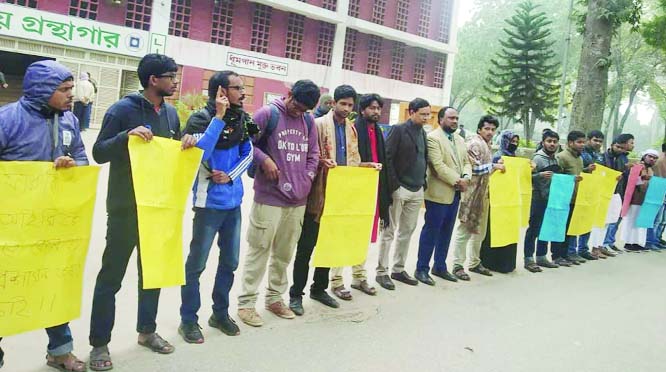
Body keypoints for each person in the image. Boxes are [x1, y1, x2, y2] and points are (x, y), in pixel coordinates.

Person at [88, 54, 197, 370]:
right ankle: (99, 344)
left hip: (158, 208)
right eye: (171, 76)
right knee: (111, 277)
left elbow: (171, 154)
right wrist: (126, 137)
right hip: (125, 207)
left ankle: (146, 331)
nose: (175, 82)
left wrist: (185, 144)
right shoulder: (122, 110)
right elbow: (98, 152)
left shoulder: (171, 115)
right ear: (153, 80)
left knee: (153, 275)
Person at [0, 60, 88, 372]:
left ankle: (60, 351)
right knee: (5, 289)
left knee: (54, 286)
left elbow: (82, 157)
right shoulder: (7, 119)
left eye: (71, 89)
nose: (71, 95)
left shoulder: (70, 121)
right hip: (12, 228)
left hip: (54, 224)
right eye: (64, 90)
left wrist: (73, 166)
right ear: (41, 89)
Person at [178, 71, 258, 343]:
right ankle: (188, 320)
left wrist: (232, 175)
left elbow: (248, 154)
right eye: (238, 88)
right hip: (207, 204)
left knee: (230, 262)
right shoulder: (200, 119)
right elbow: (201, 151)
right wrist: (218, 118)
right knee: (196, 265)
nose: (243, 93)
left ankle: (219, 314)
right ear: (222, 91)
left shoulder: (244, 121)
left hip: (232, 204)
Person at [288, 85, 381, 315]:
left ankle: (319, 289)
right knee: (306, 247)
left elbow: (352, 160)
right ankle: (295, 294)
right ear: (334, 103)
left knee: (331, 245)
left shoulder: (351, 129)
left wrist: (365, 166)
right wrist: (321, 162)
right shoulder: (318, 124)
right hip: (318, 194)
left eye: (350, 105)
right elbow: (308, 156)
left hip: (340, 197)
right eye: (343, 104)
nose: (346, 109)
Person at [237, 80, 320, 327]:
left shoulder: (308, 121)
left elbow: (313, 153)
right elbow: (245, 141)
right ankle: (247, 303)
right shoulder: (265, 114)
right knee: (259, 249)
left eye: (305, 109)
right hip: (269, 197)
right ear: (289, 94)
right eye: (297, 106)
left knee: (284, 254)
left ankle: (275, 298)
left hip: (298, 199)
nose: (299, 112)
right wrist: (264, 159)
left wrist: (308, 177)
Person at [375, 98, 430, 290]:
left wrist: (423, 182)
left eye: (428, 114)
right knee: (389, 231)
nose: (426, 118)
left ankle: (398, 269)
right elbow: (387, 157)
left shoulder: (423, 133)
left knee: (407, 231)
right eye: (423, 114)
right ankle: (382, 272)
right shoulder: (398, 130)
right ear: (411, 112)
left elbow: (423, 159)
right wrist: (394, 185)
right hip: (400, 188)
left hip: (417, 190)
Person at [415, 106, 471, 285]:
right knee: (431, 231)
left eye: (456, 118)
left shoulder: (460, 140)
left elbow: (466, 162)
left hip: (455, 195)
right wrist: (458, 181)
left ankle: (440, 266)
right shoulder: (433, 138)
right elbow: (438, 166)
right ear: (440, 120)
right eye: (451, 118)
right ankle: (421, 268)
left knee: (447, 232)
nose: (454, 121)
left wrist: (467, 178)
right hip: (438, 194)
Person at [451, 115, 505, 281]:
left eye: (492, 129)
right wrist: (494, 165)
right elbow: (473, 169)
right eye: (487, 129)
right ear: (479, 129)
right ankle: (457, 265)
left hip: (482, 193)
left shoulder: (487, 145)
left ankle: (475, 262)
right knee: (465, 230)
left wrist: (495, 166)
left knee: (479, 231)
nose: (490, 132)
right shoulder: (474, 143)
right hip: (471, 193)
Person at [346, 93, 390, 295]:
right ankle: (336, 280)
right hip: (354, 189)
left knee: (363, 236)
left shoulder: (378, 131)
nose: (376, 112)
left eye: (378, 108)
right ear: (362, 110)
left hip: (373, 189)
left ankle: (359, 277)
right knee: (345, 234)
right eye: (372, 108)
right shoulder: (353, 128)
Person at [553, 130, 596, 265]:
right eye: (579, 142)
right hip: (563, 198)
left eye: (583, 142)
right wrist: (571, 179)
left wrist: (587, 170)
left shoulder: (579, 158)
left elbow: (578, 173)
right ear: (570, 143)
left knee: (570, 228)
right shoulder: (562, 157)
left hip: (575, 198)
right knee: (560, 228)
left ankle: (567, 254)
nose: (582, 145)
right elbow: (557, 177)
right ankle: (557, 256)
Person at [481, 129, 520, 273]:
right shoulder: (497, 157)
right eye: (512, 141)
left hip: (510, 200)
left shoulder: (514, 158)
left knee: (508, 230)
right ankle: (491, 262)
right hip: (497, 201)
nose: (514, 144)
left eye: (516, 142)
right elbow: (489, 175)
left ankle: (506, 263)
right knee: (495, 231)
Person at [523, 129, 562, 272]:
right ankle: (528, 258)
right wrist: (539, 175)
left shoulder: (556, 159)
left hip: (551, 199)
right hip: (537, 198)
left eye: (555, 141)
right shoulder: (537, 158)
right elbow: (526, 177)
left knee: (546, 228)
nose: (552, 144)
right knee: (533, 229)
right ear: (543, 142)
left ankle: (541, 256)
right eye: (549, 141)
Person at [580, 130, 616, 258]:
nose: (598, 143)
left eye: (600, 141)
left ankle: (584, 249)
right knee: (578, 221)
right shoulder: (582, 154)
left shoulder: (599, 156)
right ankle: (573, 250)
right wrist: (586, 170)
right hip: (581, 191)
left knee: (589, 222)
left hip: (595, 191)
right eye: (595, 140)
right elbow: (576, 170)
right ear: (588, 139)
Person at [603, 133, 634, 253]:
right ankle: (605, 243)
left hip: (622, 191)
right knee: (609, 219)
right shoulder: (606, 157)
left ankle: (610, 241)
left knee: (617, 217)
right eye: (631, 142)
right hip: (611, 191)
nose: (632, 145)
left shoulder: (623, 157)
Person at [622, 150, 659, 251]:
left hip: (645, 199)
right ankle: (628, 242)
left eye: (655, 158)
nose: (652, 159)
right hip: (635, 198)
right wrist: (645, 179)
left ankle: (637, 242)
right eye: (650, 156)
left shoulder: (650, 169)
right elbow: (632, 182)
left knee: (641, 222)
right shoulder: (637, 167)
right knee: (631, 221)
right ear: (644, 156)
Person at [646, 143, 666, 249]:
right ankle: (651, 240)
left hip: (660, 191)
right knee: (656, 220)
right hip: (658, 191)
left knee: (660, 220)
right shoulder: (660, 161)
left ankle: (656, 239)